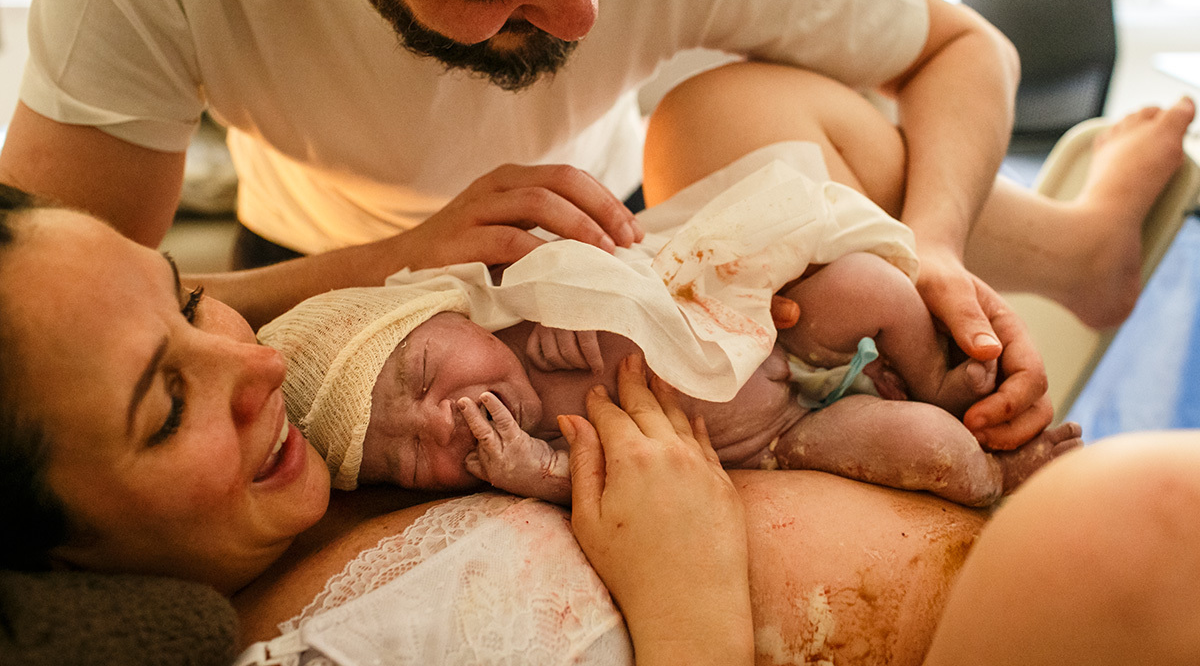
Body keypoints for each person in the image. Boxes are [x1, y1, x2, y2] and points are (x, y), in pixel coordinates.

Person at [0, 189, 1198, 666]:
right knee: (1143, 524)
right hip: (1005, 608)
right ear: (58, 561)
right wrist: (688, 604)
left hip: (921, 454)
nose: (249, 361)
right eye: (167, 405)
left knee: (739, 104)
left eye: (190, 292)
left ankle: (1081, 218)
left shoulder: (325, 389)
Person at [1, 0, 1051, 403]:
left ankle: (1077, 239)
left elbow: (967, 53)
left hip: (600, 233)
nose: (584, 14)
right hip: (317, 266)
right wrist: (393, 264)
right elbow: (49, 329)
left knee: (724, 119)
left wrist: (937, 249)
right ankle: (1081, 238)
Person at [257, 163, 1082, 507]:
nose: (450, 417)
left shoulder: (527, 304)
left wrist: (591, 304)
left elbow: (634, 260)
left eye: (429, 370)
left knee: (873, 287)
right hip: (777, 438)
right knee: (921, 449)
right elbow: (595, 481)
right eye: (409, 459)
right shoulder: (527, 452)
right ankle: (996, 472)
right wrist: (537, 471)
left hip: (768, 335)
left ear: (452, 313)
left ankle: (935, 369)